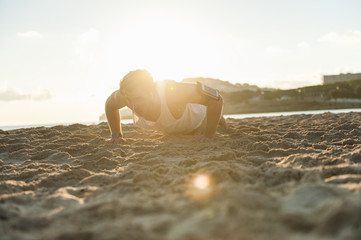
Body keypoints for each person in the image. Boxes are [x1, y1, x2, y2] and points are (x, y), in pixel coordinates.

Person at [105, 69, 225, 143]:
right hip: (173, 128)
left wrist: (209, 136)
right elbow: (110, 105)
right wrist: (116, 135)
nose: (134, 106)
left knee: (215, 118)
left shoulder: (171, 92)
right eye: (129, 101)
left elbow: (216, 98)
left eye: (138, 99)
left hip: (200, 120)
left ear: (152, 91)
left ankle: (220, 118)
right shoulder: (126, 95)